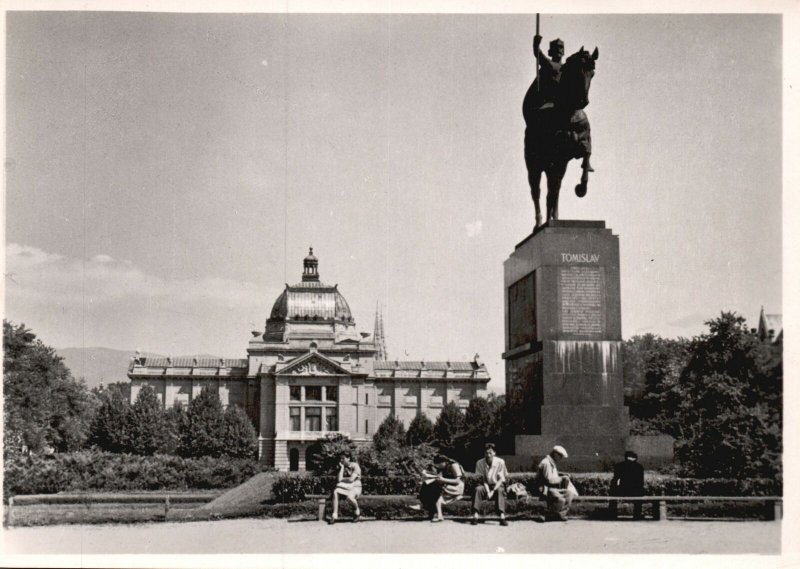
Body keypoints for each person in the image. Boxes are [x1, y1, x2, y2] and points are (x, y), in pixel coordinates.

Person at [413, 454, 466, 522]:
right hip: (448, 485)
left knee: (436, 489)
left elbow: (457, 481)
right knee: (427, 484)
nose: (438, 466)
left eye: (439, 464)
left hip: (457, 487)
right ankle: (427, 507)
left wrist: (442, 480)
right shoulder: (443, 467)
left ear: (443, 462)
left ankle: (424, 507)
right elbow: (438, 477)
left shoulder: (454, 465)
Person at [535, 445, 576, 522]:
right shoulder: (546, 463)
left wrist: (563, 474)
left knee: (570, 493)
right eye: (560, 456)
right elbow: (549, 480)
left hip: (552, 488)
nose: (561, 458)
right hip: (544, 488)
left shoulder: (551, 462)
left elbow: (553, 474)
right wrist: (562, 478)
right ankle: (546, 515)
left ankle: (560, 514)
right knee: (560, 499)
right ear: (555, 454)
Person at [471, 443, 509, 526]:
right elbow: (483, 479)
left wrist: (492, 491)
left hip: (497, 484)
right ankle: (475, 516)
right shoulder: (479, 463)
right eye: (486, 453)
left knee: (500, 490)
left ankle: (502, 517)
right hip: (486, 485)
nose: (488, 455)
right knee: (478, 489)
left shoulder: (500, 462)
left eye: (490, 453)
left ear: (494, 453)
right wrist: (488, 491)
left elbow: (501, 480)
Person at [609, 450, 645, 519]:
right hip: (635, 492)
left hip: (621, 491)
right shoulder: (639, 467)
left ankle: (612, 514)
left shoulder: (619, 466)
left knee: (612, 493)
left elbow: (615, 480)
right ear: (635, 458)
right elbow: (641, 482)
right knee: (639, 493)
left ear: (625, 457)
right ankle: (637, 515)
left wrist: (616, 488)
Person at [329, 451, 362, 524]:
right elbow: (339, 479)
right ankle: (334, 515)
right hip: (346, 487)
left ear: (348, 458)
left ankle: (357, 511)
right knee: (335, 491)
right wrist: (342, 468)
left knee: (350, 497)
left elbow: (351, 480)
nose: (341, 460)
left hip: (356, 486)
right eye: (340, 459)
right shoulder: (342, 467)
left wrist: (343, 480)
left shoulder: (355, 466)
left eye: (343, 458)